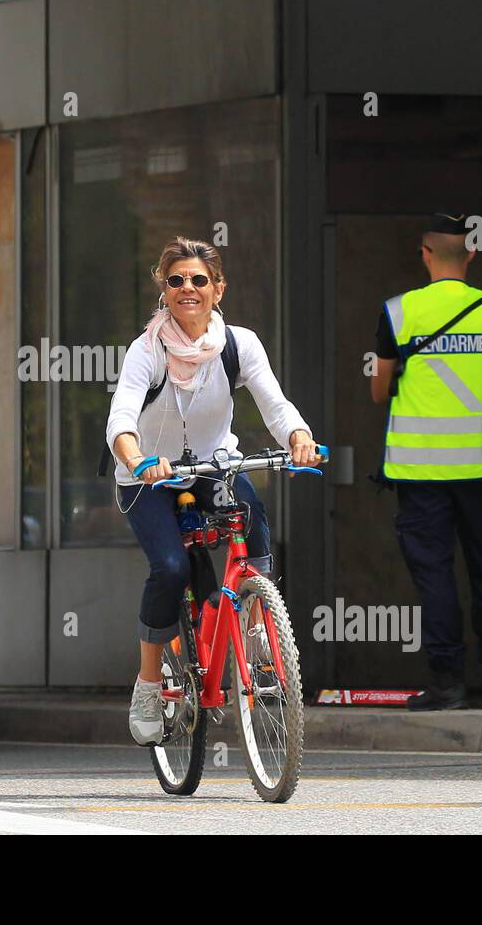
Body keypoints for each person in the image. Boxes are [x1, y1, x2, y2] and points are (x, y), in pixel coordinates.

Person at [106, 236, 321, 745]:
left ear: (218, 289)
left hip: (211, 467)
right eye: (176, 279)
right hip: (148, 478)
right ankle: (150, 683)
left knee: (254, 519)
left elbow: (275, 403)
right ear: (164, 287)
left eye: (199, 280)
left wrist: (299, 437)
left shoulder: (239, 344)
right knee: (172, 568)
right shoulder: (147, 350)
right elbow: (121, 416)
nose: (188, 288)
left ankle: (256, 627)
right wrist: (136, 460)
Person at [370, 213, 482, 710]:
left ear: (425, 253)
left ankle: (448, 683)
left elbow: (378, 391)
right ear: (472, 256)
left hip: (421, 474)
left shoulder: (398, 312)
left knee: (435, 576)